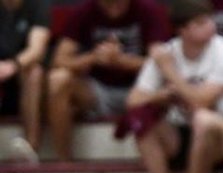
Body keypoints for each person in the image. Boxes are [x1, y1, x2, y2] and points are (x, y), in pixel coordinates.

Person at [126, 0, 223, 173]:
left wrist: (171, 73)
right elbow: (133, 100)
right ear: (182, 30)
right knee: (139, 117)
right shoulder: (168, 52)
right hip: (180, 131)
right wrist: (162, 94)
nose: (211, 26)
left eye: (209, 20)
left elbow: (201, 102)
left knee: (202, 118)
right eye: (200, 22)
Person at [46, 0, 170, 160]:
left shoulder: (149, 10)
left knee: (169, 85)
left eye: (119, 3)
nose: (114, 8)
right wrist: (93, 58)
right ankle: (64, 160)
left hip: (140, 90)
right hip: (97, 90)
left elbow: (162, 63)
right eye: (108, 4)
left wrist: (122, 61)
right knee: (58, 79)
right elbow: (59, 60)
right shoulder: (84, 11)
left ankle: (164, 156)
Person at [0, 0, 48, 162]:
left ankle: (30, 147)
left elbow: (37, 50)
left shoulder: (38, 5)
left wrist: (12, 66)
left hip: (20, 71)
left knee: (34, 72)